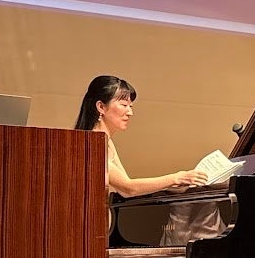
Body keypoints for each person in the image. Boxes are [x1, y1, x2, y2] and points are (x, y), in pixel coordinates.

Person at [73, 75, 208, 197]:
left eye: (130, 106)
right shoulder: (92, 144)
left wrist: (174, 185)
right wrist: (176, 178)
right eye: (124, 105)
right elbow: (128, 188)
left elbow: (125, 189)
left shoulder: (106, 142)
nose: (130, 112)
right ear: (101, 107)